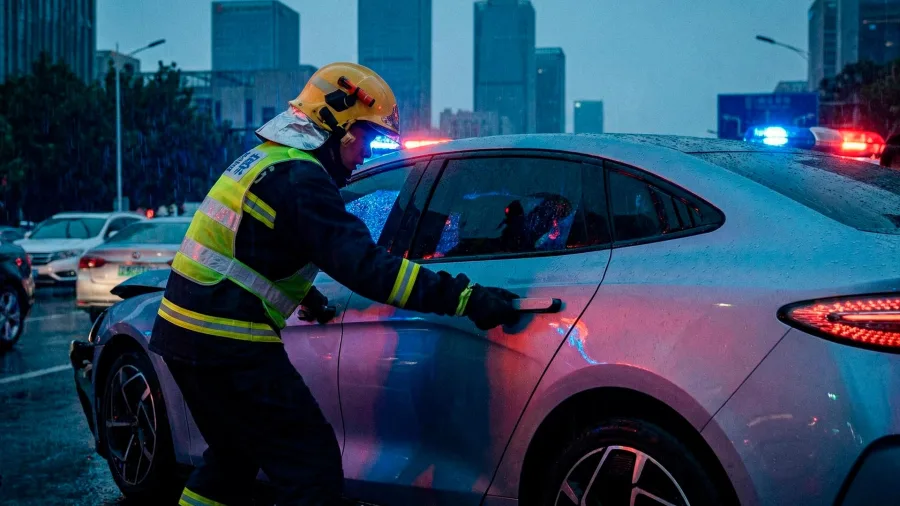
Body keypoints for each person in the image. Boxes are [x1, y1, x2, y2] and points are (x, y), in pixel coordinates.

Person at [148, 62, 521, 506]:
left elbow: (247, 249)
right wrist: (465, 297)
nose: (366, 156)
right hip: (229, 342)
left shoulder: (268, 161)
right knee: (312, 468)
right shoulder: (301, 180)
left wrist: (305, 293)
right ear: (338, 125)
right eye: (367, 140)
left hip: (182, 333)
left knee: (232, 458)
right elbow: (369, 269)